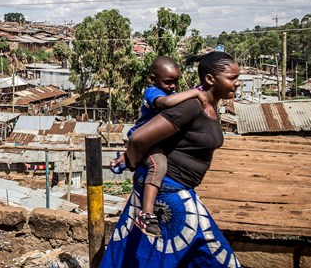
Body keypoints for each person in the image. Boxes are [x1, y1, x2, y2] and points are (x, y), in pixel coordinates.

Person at [100, 51, 242, 268]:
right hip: (169, 194)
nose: (238, 83)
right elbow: (138, 138)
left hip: (175, 190)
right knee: (207, 254)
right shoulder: (191, 106)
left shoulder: (208, 106)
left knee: (148, 256)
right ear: (210, 79)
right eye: (232, 78)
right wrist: (132, 161)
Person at [110, 56, 207, 237]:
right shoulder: (152, 92)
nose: (173, 87)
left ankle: (123, 160)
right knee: (158, 166)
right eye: (169, 82)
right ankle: (146, 214)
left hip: (156, 141)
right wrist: (195, 93)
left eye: (176, 82)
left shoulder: (169, 92)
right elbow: (166, 103)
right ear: (153, 79)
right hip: (146, 140)